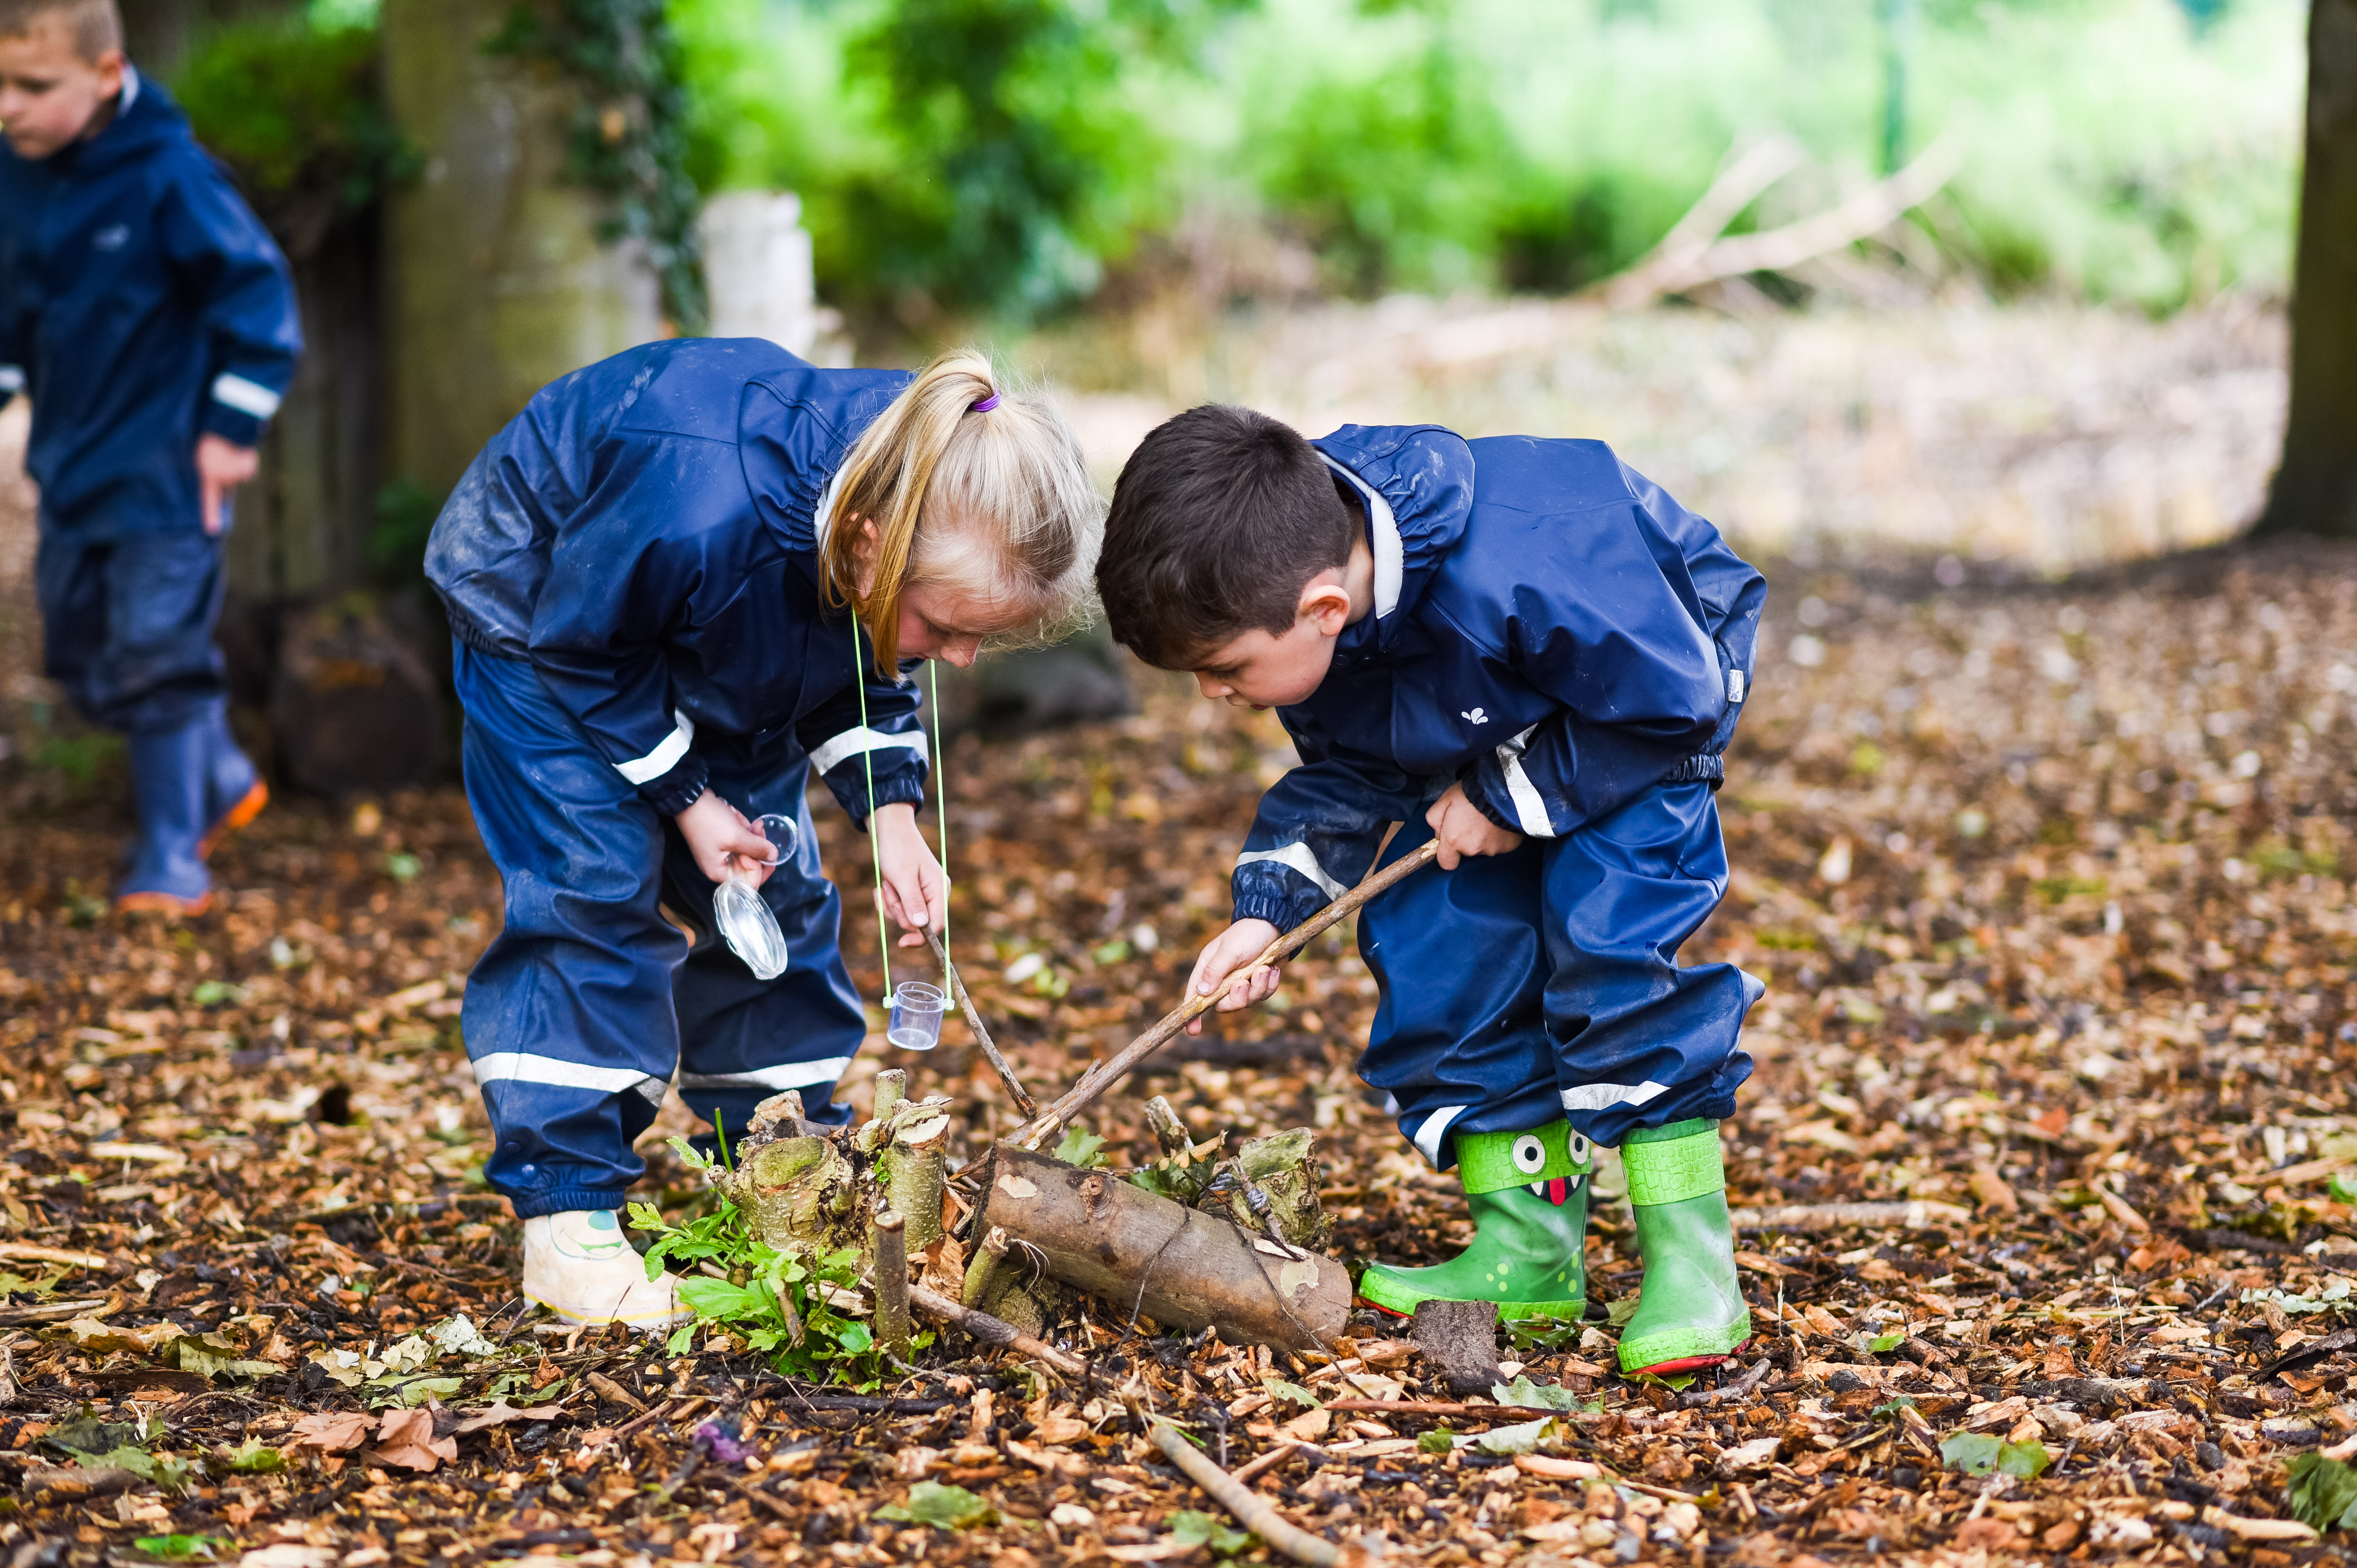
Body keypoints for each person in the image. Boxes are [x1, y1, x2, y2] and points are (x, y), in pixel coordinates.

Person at [425, 344, 1099, 1326]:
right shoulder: (706, 515)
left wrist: (895, 822)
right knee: (593, 888)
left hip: (714, 619)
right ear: (868, 544)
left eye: (979, 640)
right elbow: (583, 650)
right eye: (947, 627)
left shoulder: (922, 478)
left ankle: (784, 1168)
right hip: (544, 618)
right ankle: (565, 1214)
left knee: (768, 883)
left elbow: (855, 661)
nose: (956, 658)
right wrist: (688, 797)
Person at [1095, 407, 1767, 1376]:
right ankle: (1529, 1252)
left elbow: (1676, 696)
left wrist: (1508, 794)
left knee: (1611, 951)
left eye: (1223, 668)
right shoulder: (1319, 620)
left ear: (1324, 607)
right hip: (1486, 718)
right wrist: (1262, 917)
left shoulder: (1528, 562)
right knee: (1438, 940)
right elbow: (1347, 776)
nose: (1214, 695)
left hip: (1649, 704)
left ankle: (1696, 1267)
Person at [0, 0, 299, 913]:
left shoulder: (171, 175)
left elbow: (260, 306)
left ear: (105, 74)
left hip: (170, 467)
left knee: (157, 650)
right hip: (73, 464)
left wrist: (229, 432)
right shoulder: (21, 174)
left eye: (31, 86)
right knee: (82, 651)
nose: (8, 106)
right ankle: (210, 766)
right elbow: (15, 309)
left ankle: (173, 851)